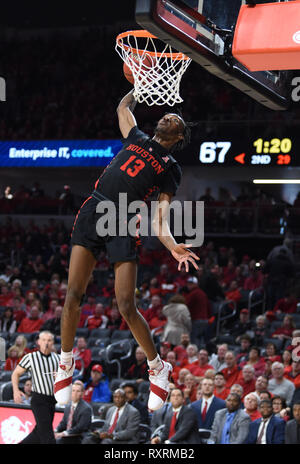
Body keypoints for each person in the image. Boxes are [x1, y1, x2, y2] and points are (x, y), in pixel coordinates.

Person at [54, 90, 199, 412]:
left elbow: (159, 219)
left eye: (173, 119)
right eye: (166, 115)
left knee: (125, 305)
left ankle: (158, 367)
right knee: (72, 296)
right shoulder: (136, 137)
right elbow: (123, 106)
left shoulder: (170, 167)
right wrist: (140, 84)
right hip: (94, 209)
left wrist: (172, 245)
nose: (167, 116)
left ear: (178, 135)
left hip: (123, 218)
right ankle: (65, 363)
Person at [11, 331, 60, 444]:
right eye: (43, 340)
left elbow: (66, 378)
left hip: (52, 400)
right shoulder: (31, 357)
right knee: (48, 436)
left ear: (53, 343)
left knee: (38, 433)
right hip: (39, 399)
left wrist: (60, 377)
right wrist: (16, 391)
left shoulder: (58, 359)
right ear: (38, 342)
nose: (46, 343)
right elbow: (15, 374)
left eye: (49, 340)